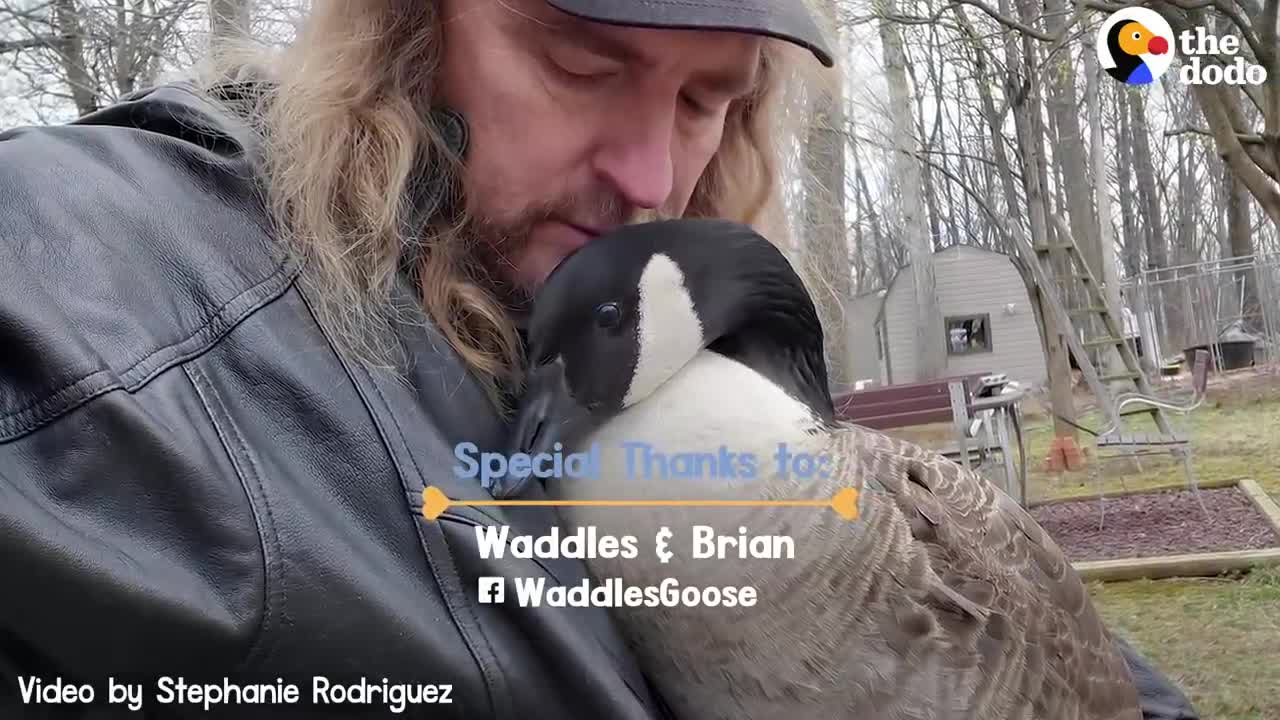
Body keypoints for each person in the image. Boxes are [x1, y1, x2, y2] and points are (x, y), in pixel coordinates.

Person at [0, 1, 1198, 717]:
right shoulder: (119, 277)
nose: (649, 175)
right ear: (403, 28)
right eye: (578, 62)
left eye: (706, 102)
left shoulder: (676, 353)